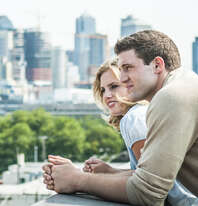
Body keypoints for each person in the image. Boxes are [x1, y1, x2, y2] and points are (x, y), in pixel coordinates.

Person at [43, 30, 198, 206]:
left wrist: (76, 179)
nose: (123, 78)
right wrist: (107, 172)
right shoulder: (186, 84)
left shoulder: (170, 97)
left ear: (157, 65)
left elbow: (147, 193)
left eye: (128, 68)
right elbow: (149, 176)